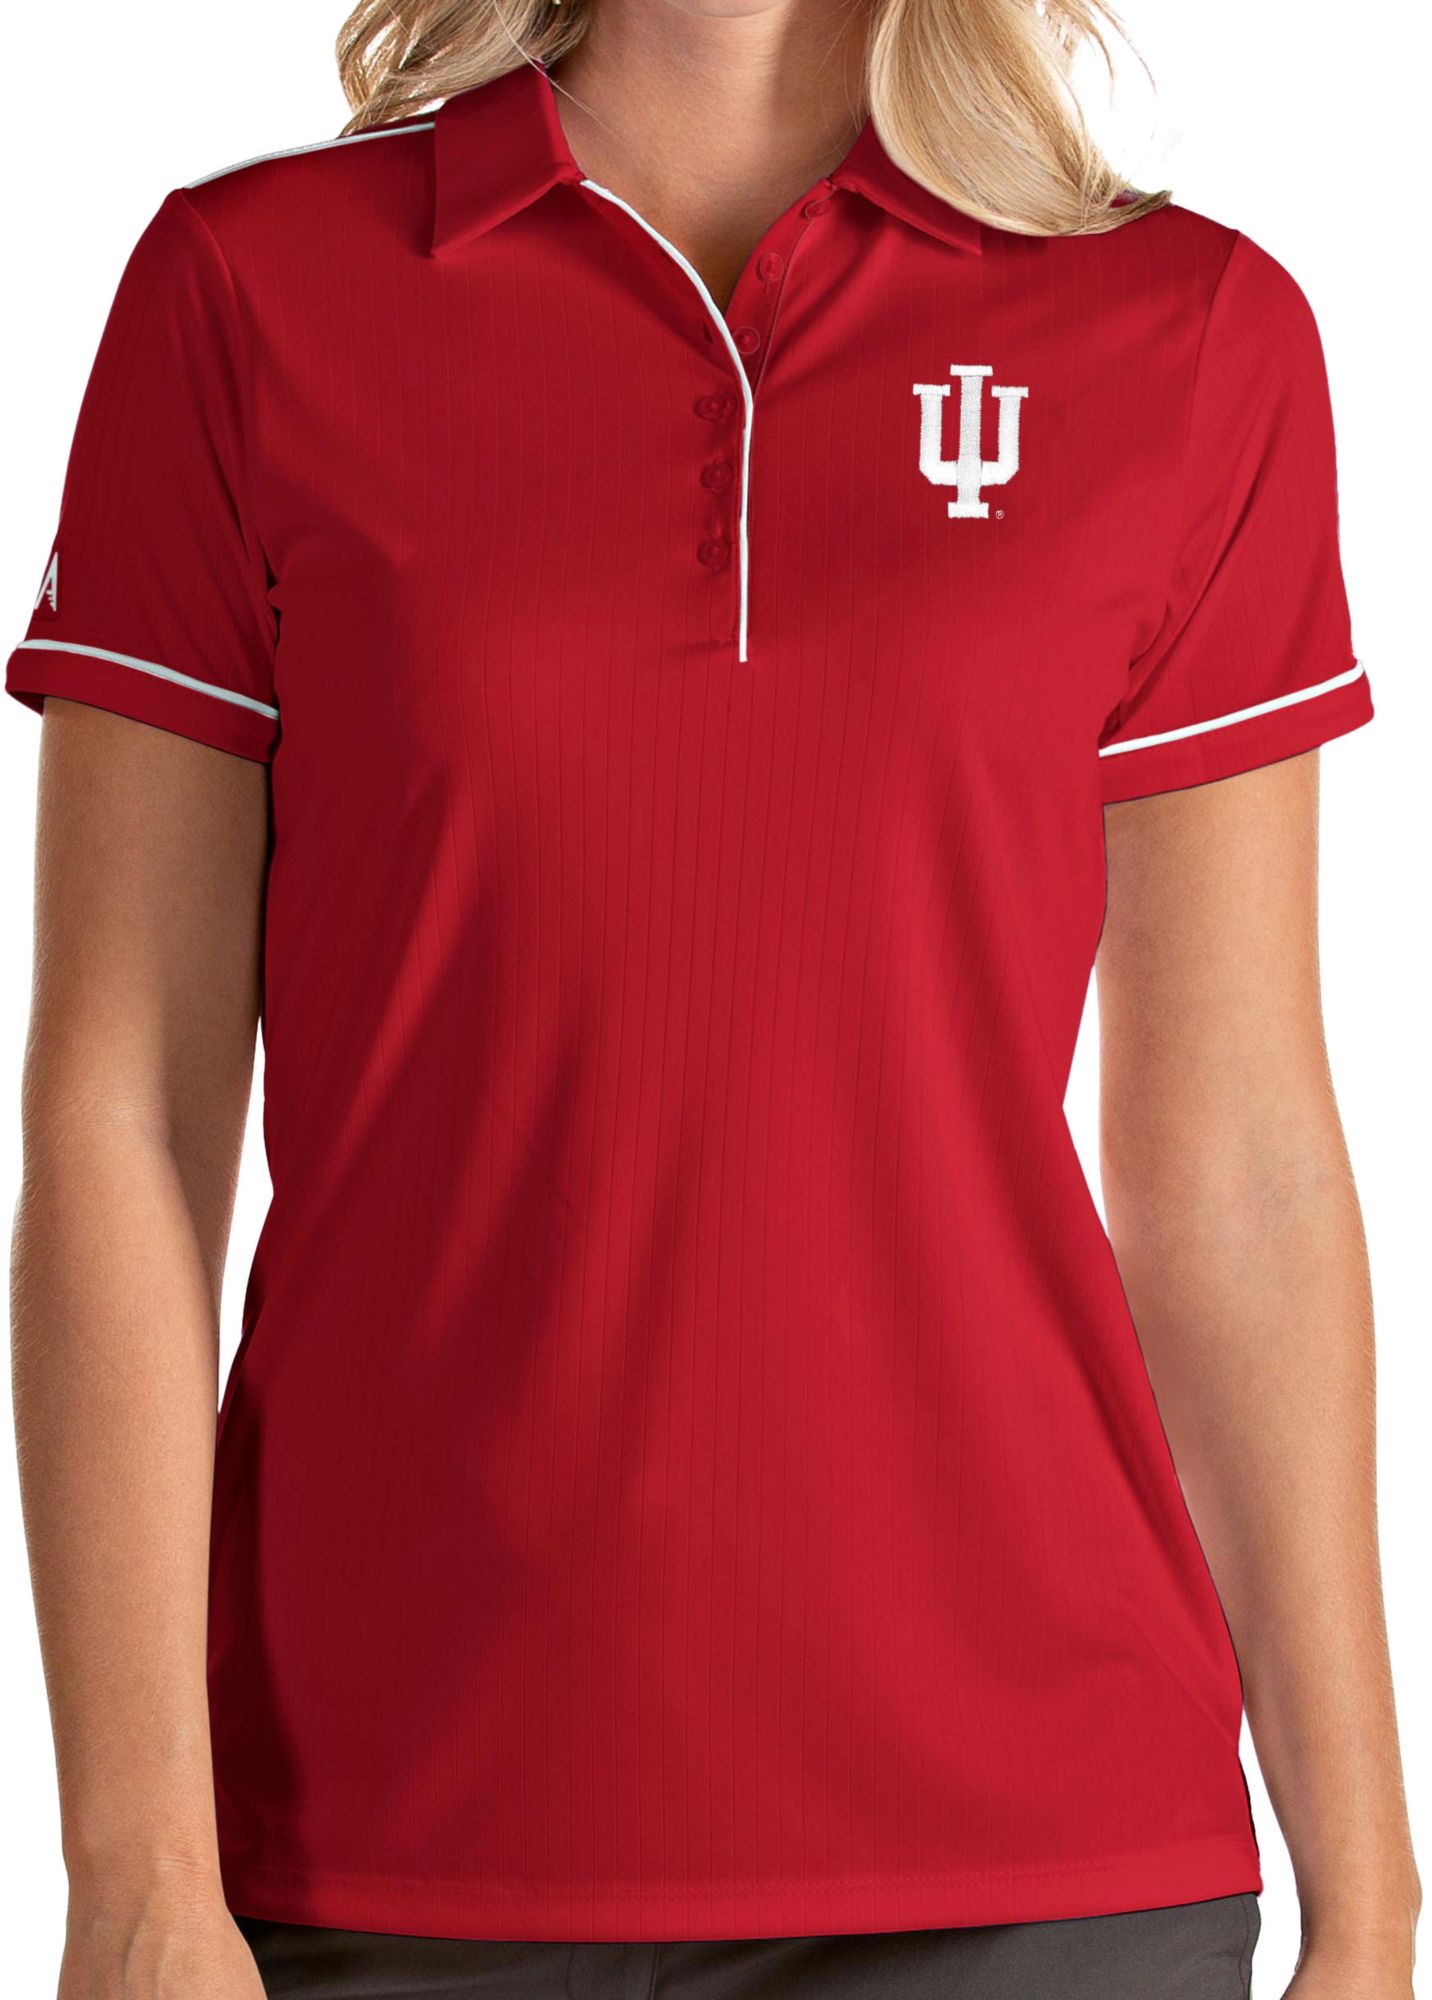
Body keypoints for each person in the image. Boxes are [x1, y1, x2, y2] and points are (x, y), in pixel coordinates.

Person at [5, 0, 1420, 1994]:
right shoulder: (247, 296)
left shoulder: (1186, 335)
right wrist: (136, 1868)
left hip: (1040, 1862)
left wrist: (1370, 1897)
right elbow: (123, 1122)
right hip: (383, 1845)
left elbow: (1238, 1162)